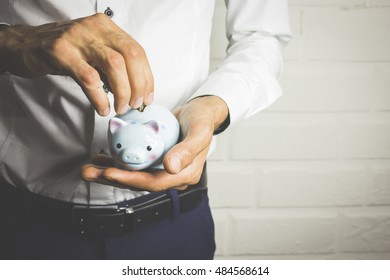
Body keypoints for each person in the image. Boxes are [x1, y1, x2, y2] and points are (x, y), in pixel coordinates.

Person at [0, 0, 291, 259]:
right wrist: (10, 41)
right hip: (23, 223)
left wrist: (213, 106)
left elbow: (262, 35)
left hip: (172, 225)